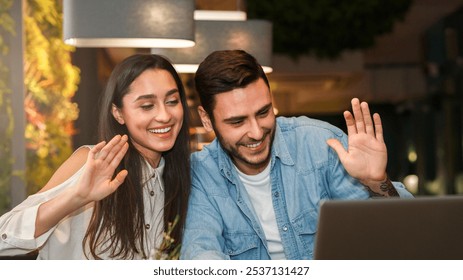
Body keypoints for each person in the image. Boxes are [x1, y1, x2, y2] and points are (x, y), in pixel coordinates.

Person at [180, 49, 414, 260]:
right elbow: (201, 252)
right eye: (237, 121)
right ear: (206, 119)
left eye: (263, 112)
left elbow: (402, 233)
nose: (256, 132)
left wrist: (376, 182)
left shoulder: (321, 144)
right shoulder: (200, 173)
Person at [0, 54, 191, 259]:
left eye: (172, 101)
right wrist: (75, 197)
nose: (164, 116)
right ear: (118, 113)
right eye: (146, 106)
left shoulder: (179, 179)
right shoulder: (91, 161)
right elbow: (4, 237)